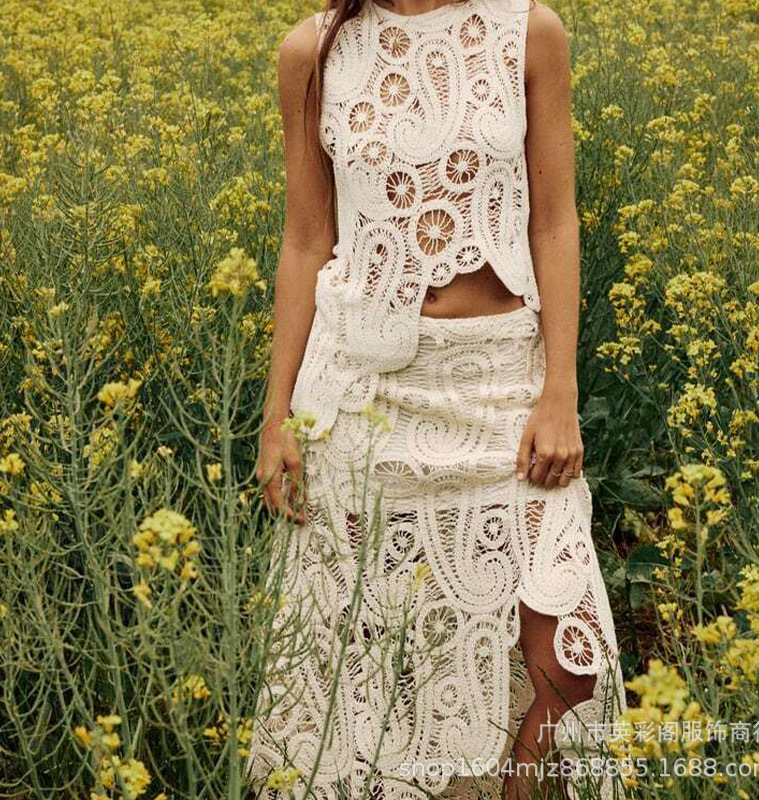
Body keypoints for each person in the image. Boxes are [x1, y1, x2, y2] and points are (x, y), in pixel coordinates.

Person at [250, 1, 628, 798]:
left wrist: (560, 389)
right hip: (363, 396)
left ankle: (518, 786)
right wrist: (276, 415)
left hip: (501, 384)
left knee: (567, 657)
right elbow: (306, 240)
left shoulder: (529, 30)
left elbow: (555, 222)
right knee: (377, 657)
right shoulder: (311, 51)